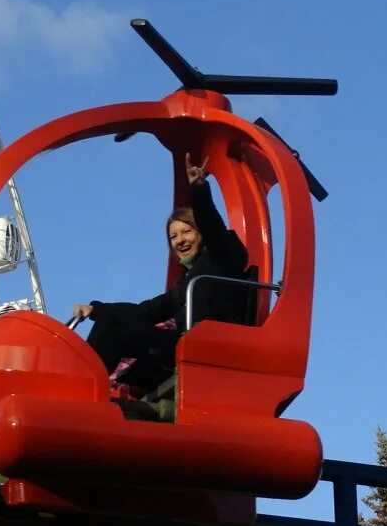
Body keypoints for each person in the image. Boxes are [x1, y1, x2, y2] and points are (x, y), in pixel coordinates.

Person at [72, 153, 253, 419]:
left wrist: (199, 190)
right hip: (181, 345)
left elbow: (214, 226)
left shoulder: (222, 258)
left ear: (199, 233)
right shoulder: (184, 283)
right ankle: (81, 389)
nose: (180, 240)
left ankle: (82, 396)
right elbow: (145, 311)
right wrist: (96, 309)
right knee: (111, 323)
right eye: (173, 236)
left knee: (117, 329)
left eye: (186, 231)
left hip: (206, 345)